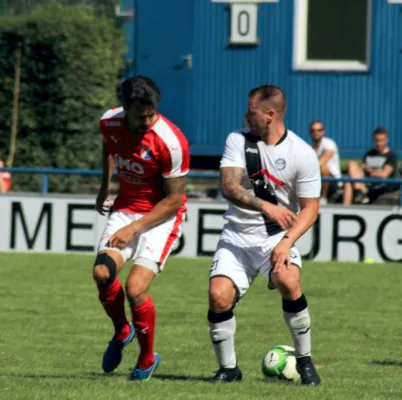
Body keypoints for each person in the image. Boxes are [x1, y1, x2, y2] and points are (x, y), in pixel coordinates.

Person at [207, 85, 321, 385]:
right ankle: (228, 369)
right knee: (218, 296)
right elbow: (228, 187)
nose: (245, 116)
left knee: (288, 280)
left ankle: (306, 361)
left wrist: (286, 243)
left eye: (251, 112)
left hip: (274, 238)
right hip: (236, 236)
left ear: (270, 115)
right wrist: (266, 206)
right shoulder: (237, 140)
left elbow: (310, 209)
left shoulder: (302, 153)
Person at [93, 76, 189, 381]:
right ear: (124, 108)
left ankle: (147, 358)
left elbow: (174, 200)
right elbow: (109, 148)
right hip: (125, 210)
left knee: (135, 288)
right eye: (140, 116)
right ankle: (123, 331)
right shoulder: (109, 122)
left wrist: (134, 228)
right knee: (102, 273)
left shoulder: (171, 142)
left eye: (151, 114)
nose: (147, 120)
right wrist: (104, 185)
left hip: (160, 218)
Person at [343, 127, 398, 205]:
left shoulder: (391, 155)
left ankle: (362, 193)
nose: (378, 143)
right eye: (376, 141)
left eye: (381, 141)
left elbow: (384, 174)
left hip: (381, 186)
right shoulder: (369, 153)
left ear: (386, 140)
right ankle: (346, 208)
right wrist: (361, 169)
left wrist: (370, 172)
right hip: (365, 184)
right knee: (350, 170)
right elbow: (361, 168)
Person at [309, 120, 342, 204]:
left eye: (319, 130)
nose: (316, 133)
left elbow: (322, 161)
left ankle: (323, 198)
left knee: (323, 168)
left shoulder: (329, 143)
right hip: (316, 180)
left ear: (323, 131)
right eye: (313, 130)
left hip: (333, 181)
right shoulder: (309, 148)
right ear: (310, 132)